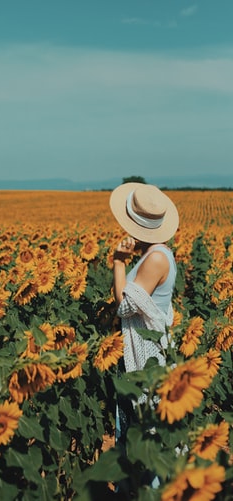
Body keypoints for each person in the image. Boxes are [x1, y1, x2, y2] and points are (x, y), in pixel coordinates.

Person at [109, 182, 179, 492]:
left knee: (144, 432)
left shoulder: (155, 259)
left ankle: (148, 492)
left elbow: (124, 304)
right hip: (144, 351)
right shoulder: (157, 252)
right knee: (134, 424)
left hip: (145, 356)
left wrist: (118, 261)